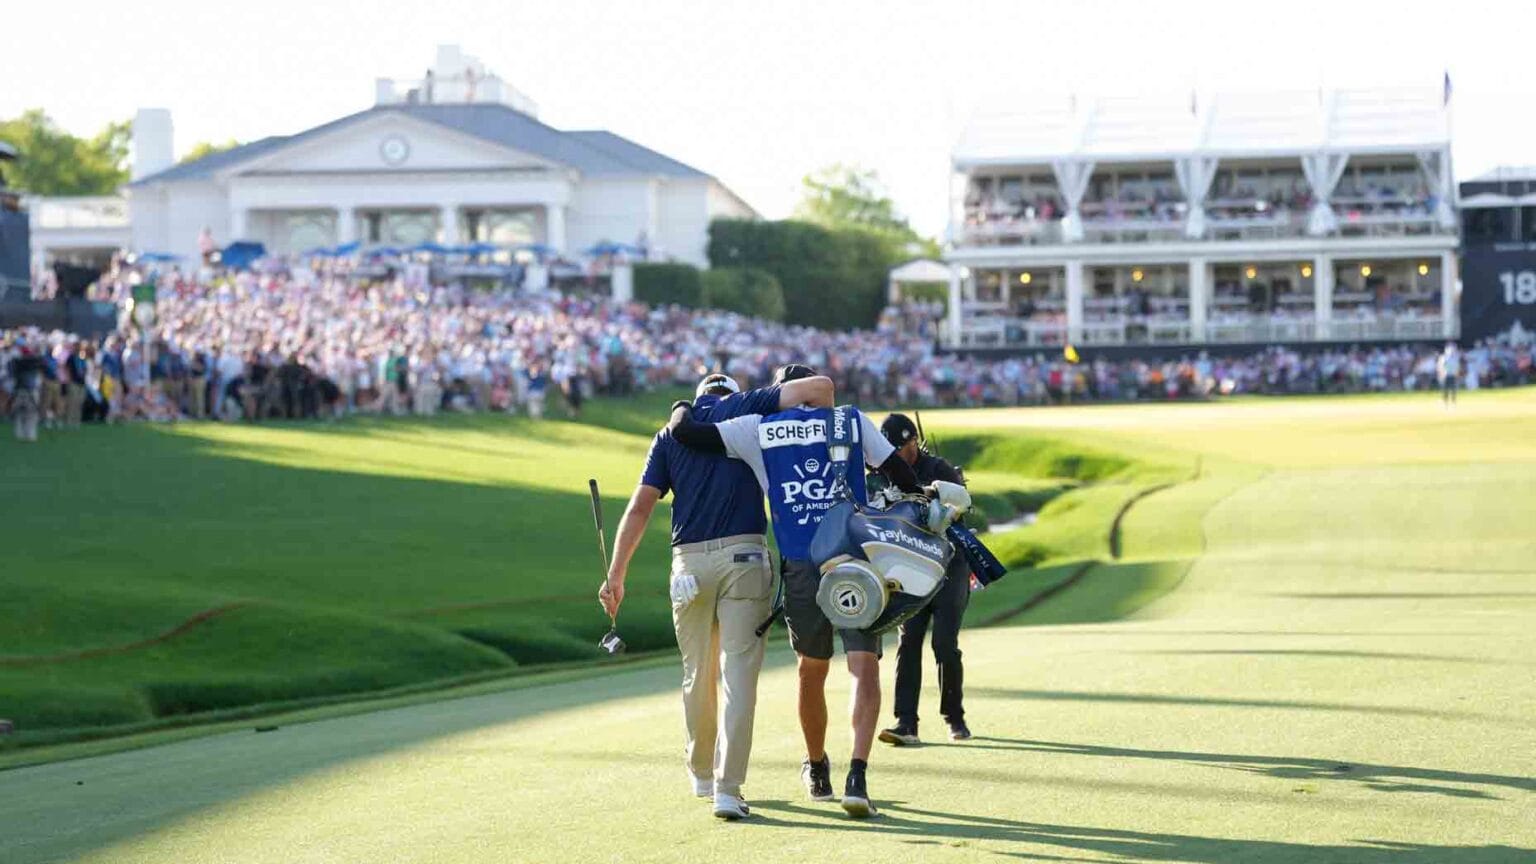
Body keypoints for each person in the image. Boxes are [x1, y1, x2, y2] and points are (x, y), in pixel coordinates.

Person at [667, 364, 923, 819]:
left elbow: (689, 433)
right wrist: (920, 496)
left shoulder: (758, 427)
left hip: (802, 563)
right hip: (856, 559)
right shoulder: (851, 419)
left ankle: (818, 768)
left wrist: (682, 407)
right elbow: (898, 472)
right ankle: (858, 777)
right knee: (864, 668)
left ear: (782, 394)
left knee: (812, 669)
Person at [600, 370, 835, 821]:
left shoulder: (668, 435)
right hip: (745, 557)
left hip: (688, 566)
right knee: (738, 677)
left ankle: (701, 774)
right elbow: (819, 388)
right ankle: (728, 790)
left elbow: (641, 506)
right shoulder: (751, 409)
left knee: (697, 673)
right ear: (732, 395)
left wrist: (617, 574)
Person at [874, 413, 974, 746]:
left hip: (949, 567)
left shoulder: (940, 470)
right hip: (910, 571)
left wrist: (935, 493)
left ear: (913, 442)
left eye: (899, 447)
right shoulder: (883, 473)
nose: (894, 454)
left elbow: (962, 503)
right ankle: (906, 722)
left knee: (944, 644)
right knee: (909, 641)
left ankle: (954, 717)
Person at [1437, 341, 1460, 406]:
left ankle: (1453, 401)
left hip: (1453, 375)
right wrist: (1441, 373)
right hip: (1445, 375)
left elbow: (1457, 366)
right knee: (1445, 389)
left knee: (1453, 389)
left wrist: (1457, 373)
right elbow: (1440, 366)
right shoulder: (1443, 357)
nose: (1451, 351)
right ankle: (1445, 402)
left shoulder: (1456, 357)